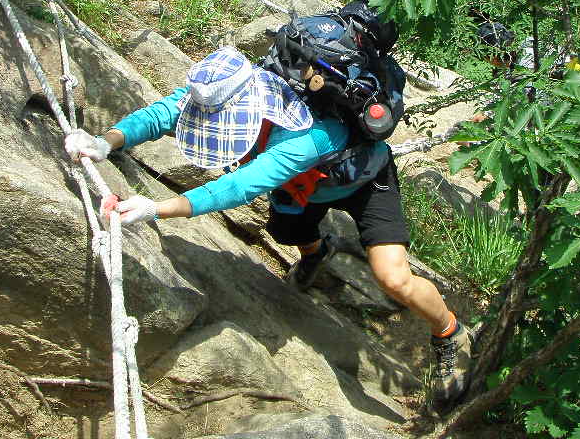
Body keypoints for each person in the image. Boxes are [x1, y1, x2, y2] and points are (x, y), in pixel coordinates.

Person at [64, 46, 472, 409]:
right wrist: (107, 141)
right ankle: (318, 254)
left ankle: (448, 332)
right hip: (306, 189)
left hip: (366, 181)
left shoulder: (309, 134)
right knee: (287, 232)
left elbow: (242, 185)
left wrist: (159, 208)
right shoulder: (231, 88)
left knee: (393, 278)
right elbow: (165, 112)